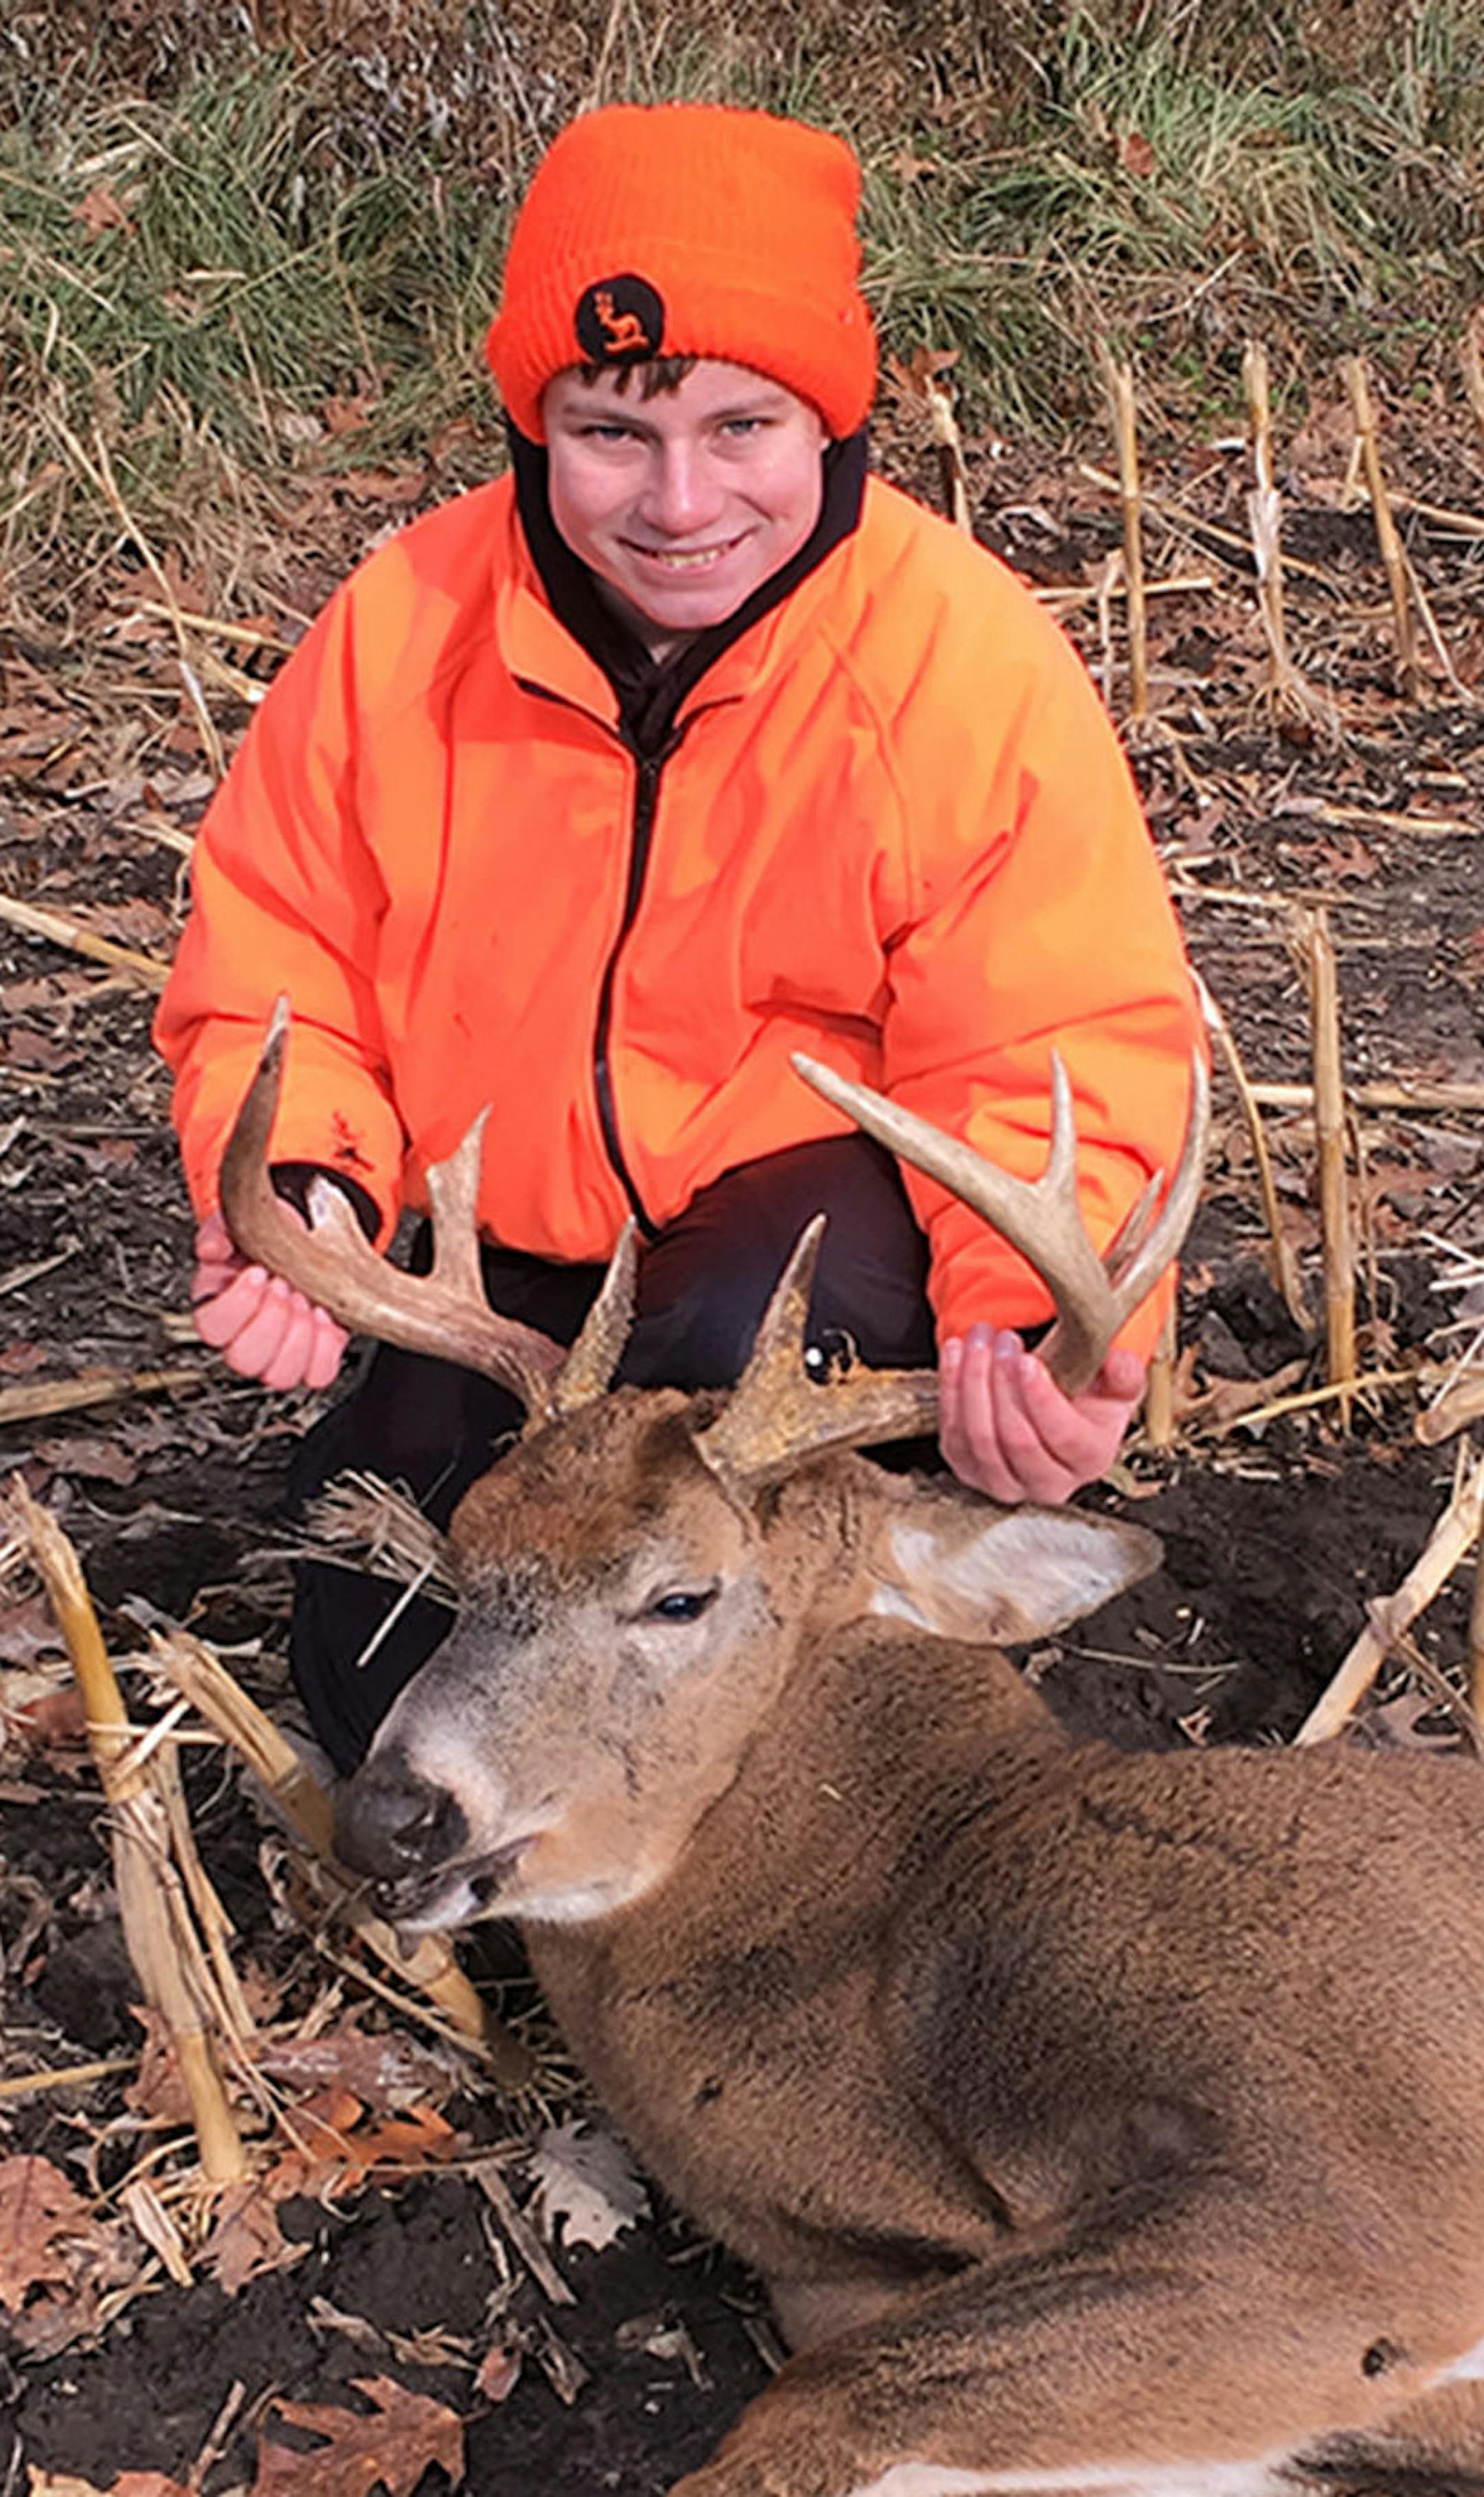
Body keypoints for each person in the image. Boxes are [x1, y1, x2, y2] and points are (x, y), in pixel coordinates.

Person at [155, 101, 1203, 1771]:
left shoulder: (955, 662)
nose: (679, 500)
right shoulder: (404, 627)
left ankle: (759, 1799)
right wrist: (318, 1179)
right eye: (612, 431)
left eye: (743, 426)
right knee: (377, 1671)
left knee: (697, 1431)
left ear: (831, 418)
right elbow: (276, 955)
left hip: (804, 1217)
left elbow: (1051, 1030)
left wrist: (1023, 1301)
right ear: (535, 423)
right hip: (503, 1252)